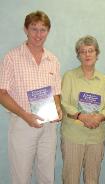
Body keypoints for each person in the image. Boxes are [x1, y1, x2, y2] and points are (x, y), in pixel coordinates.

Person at [0, 10, 62, 184]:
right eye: (34, 29)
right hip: (22, 124)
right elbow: (1, 93)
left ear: (48, 32)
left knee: (47, 176)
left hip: (48, 127)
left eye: (43, 30)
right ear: (25, 29)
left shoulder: (53, 60)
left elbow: (56, 92)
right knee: (21, 177)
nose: (38, 34)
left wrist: (57, 108)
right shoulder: (11, 58)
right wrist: (25, 115)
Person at [61, 35, 105, 184]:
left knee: (92, 179)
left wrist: (99, 117)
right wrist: (81, 116)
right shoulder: (69, 77)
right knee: (70, 178)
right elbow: (64, 103)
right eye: (83, 51)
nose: (87, 54)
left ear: (97, 54)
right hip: (73, 136)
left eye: (91, 50)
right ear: (78, 55)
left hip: (96, 137)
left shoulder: (104, 80)